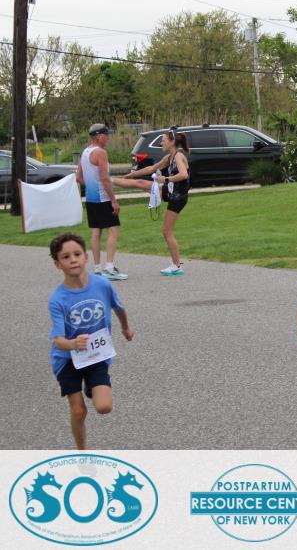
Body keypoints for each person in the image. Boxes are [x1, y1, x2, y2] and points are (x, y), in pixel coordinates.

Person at [48, 233, 134, 449]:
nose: (73, 260)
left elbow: (118, 307)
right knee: (79, 410)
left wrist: (125, 327)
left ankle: (91, 385)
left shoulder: (102, 284)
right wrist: (73, 344)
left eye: (77, 254)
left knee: (104, 407)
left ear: (85, 257)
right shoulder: (57, 299)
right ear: (57, 264)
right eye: (66, 257)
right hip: (68, 358)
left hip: (96, 354)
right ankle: (82, 453)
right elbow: (58, 340)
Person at [115, 130, 190, 276]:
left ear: (172, 142)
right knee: (140, 183)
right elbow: (152, 168)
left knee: (166, 231)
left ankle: (176, 266)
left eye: (163, 140)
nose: (161, 143)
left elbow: (184, 174)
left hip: (178, 197)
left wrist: (166, 179)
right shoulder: (169, 157)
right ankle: (109, 181)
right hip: (170, 192)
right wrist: (133, 174)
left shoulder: (178, 156)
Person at [77, 123, 127, 280]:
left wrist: (92, 187)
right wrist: (113, 200)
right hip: (103, 198)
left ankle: (98, 268)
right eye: (106, 135)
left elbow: (78, 177)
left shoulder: (85, 152)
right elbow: (105, 179)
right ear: (99, 136)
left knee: (96, 232)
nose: (108, 138)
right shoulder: (101, 152)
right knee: (113, 229)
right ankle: (109, 268)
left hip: (91, 198)